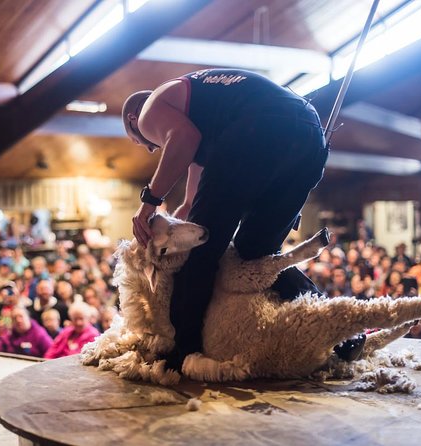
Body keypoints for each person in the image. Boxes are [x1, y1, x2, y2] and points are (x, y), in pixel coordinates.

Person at [124, 69, 328, 369]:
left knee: (202, 256)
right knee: (255, 255)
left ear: (132, 121)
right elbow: (192, 206)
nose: (148, 147)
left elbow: (182, 138)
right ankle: (334, 325)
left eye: (139, 141)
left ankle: (182, 356)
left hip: (260, 127)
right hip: (309, 133)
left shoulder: (151, 107)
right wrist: (170, 228)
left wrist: (148, 205)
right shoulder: (203, 110)